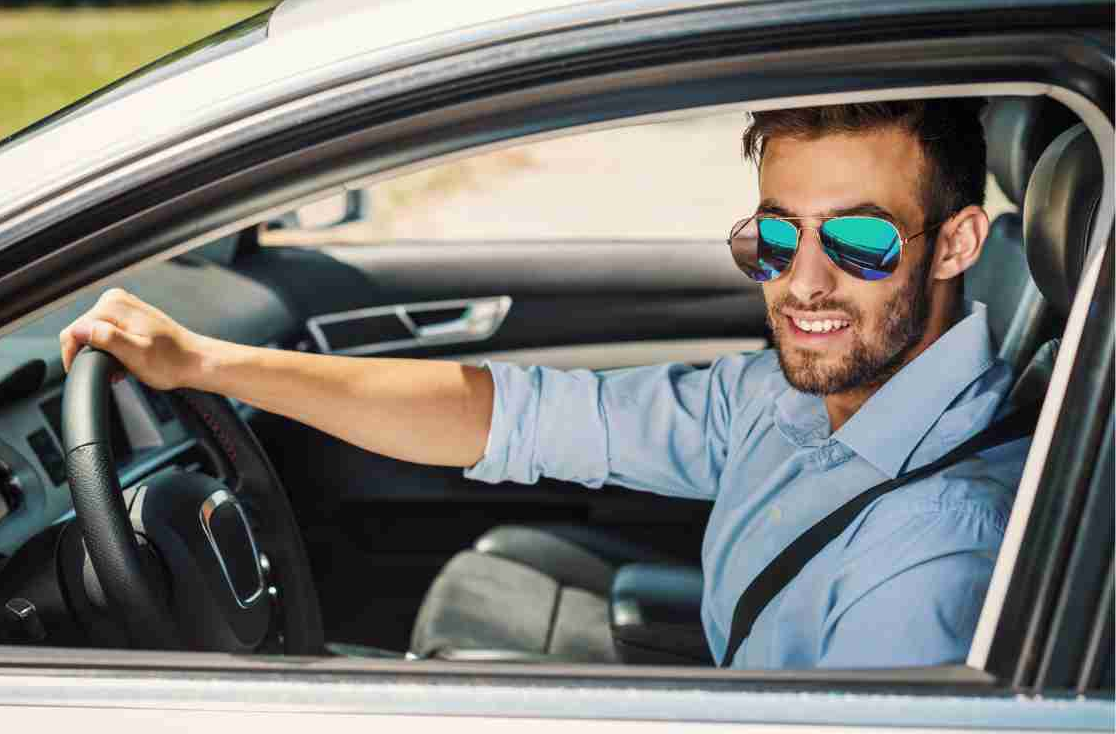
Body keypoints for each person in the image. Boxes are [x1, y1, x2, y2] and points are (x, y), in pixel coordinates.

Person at [60, 99, 1027, 669]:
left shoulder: (937, 560)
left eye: (857, 241)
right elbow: (514, 415)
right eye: (775, 236)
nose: (804, 282)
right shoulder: (783, 397)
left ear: (955, 244)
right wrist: (206, 364)